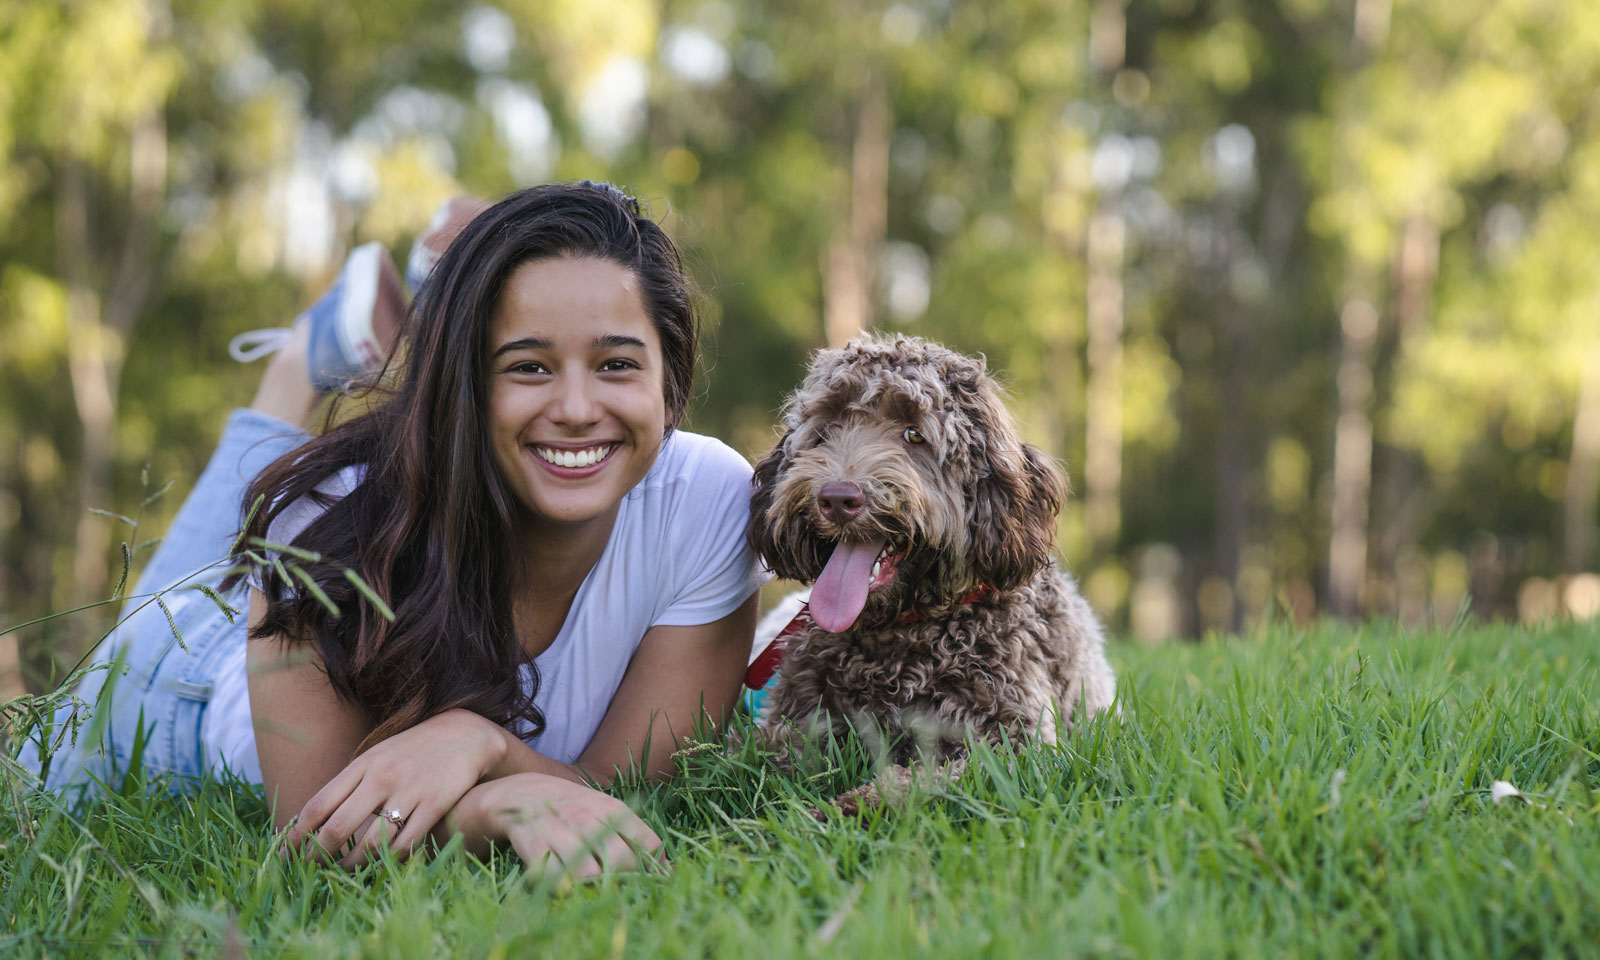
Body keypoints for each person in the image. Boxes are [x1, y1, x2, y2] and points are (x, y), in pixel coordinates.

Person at [30, 182, 768, 876]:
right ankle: (300, 365)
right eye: (527, 366)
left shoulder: (707, 502)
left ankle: (357, 335)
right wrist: (494, 803)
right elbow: (318, 828)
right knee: (184, 588)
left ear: (668, 384)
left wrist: (479, 742)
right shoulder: (323, 515)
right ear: (463, 384)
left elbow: (623, 796)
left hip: (279, 612)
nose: (577, 407)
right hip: (170, 706)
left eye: (615, 363)